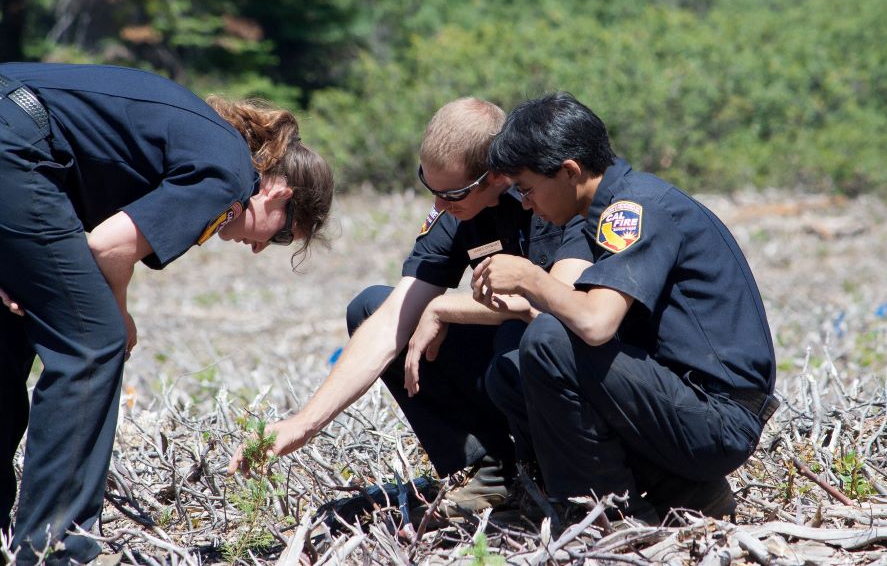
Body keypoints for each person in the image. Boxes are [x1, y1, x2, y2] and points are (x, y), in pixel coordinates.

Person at [0, 62, 334, 564]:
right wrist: (121, 314)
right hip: (16, 143)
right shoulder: (230, 175)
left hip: (14, 134)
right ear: (278, 192)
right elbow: (108, 247)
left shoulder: (207, 142)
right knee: (93, 343)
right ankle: (55, 547)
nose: (263, 249)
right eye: (283, 234)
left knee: (13, 327)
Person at [228, 97, 591, 515]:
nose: (439, 205)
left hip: (563, 367)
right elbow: (389, 323)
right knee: (370, 308)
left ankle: (550, 477)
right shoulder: (457, 210)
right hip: (500, 361)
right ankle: (489, 468)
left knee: (520, 338)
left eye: (451, 193)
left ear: (497, 177)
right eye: (429, 187)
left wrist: (443, 309)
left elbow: (556, 306)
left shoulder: (551, 198)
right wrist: (302, 425)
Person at [470, 92, 778, 523]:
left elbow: (596, 324)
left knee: (548, 338)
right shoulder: (610, 204)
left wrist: (529, 279)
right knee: (511, 370)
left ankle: (607, 520)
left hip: (719, 419)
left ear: (569, 171)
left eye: (528, 189)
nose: (526, 204)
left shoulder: (633, 208)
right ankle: (684, 492)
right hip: (684, 403)